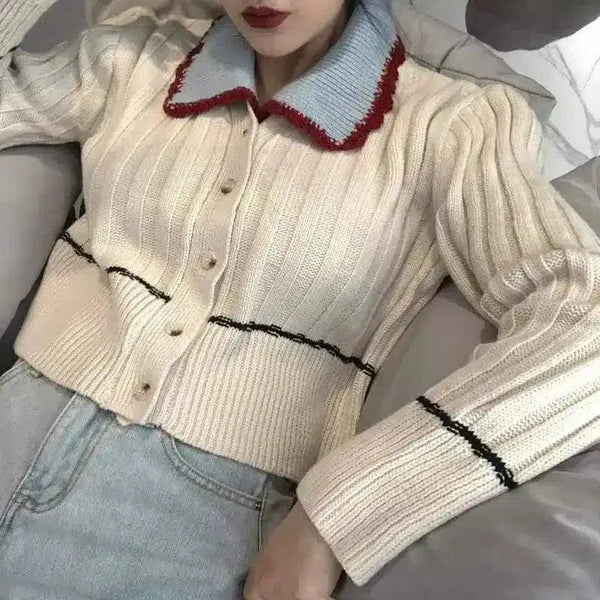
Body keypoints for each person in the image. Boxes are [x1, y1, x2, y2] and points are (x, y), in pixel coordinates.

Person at [0, 0, 599, 598]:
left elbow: (584, 322)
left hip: (197, 521)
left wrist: (339, 516)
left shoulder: (453, 122)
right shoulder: (133, 55)